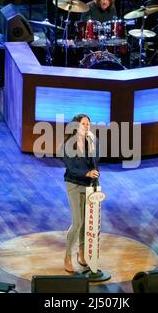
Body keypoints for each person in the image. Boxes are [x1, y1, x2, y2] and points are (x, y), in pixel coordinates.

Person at [61, 114, 100, 273]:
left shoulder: (91, 141)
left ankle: (81, 253)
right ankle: (67, 256)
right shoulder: (68, 145)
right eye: (83, 124)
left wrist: (93, 145)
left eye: (88, 124)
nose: (87, 126)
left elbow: (96, 163)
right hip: (74, 184)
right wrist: (86, 173)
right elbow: (71, 167)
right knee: (77, 222)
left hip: (89, 186)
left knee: (85, 223)